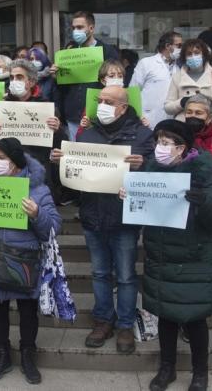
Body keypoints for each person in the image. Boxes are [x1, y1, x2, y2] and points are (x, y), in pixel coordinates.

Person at [125, 120, 212, 391]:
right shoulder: (151, 170)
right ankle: (166, 368)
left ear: (183, 148)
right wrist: (131, 198)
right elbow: (142, 211)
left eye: (167, 142)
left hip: (192, 259)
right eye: (159, 140)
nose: (160, 147)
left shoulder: (203, 174)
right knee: (166, 317)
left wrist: (203, 201)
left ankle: (200, 373)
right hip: (161, 256)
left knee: (194, 321)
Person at [52, 86, 153, 355]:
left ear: (123, 106)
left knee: (126, 276)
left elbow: (157, 172)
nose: (102, 105)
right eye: (100, 101)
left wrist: (143, 163)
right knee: (99, 273)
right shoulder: (88, 133)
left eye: (109, 101)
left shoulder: (142, 134)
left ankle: (124, 325)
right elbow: (74, 181)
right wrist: (61, 162)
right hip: (92, 215)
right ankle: (103, 321)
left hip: (124, 219)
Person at [0, 138, 62, 385]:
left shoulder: (39, 190)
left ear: (16, 162)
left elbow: (53, 228)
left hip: (25, 259)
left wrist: (37, 214)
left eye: (3, 158)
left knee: (27, 311)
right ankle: (1, 356)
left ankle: (27, 356)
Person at [0, 59, 65, 201]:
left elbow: (59, 145)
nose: (14, 81)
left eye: (19, 77)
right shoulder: (0, 108)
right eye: (11, 77)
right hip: (9, 171)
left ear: (31, 81)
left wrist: (57, 129)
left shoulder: (47, 108)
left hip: (38, 171)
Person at [52, 11, 119, 141]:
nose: (75, 31)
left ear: (91, 28)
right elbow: (63, 88)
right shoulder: (68, 52)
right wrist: (57, 77)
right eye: (73, 28)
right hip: (73, 115)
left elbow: (116, 82)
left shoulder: (107, 51)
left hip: (98, 115)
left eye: (80, 27)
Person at [164, 38, 212, 121]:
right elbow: (167, 108)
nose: (193, 56)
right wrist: (182, 102)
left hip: (209, 125)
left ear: (204, 55)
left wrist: (206, 102)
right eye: (189, 54)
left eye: (197, 53)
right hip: (183, 125)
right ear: (184, 57)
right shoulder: (178, 76)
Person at [129, 31, 183, 128]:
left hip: (169, 121)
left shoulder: (178, 68)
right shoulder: (146, 63)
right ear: (167, 46)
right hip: (146, 121)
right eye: (179, 45)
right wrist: (139, 116)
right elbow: (133, 91)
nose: (181, 49)